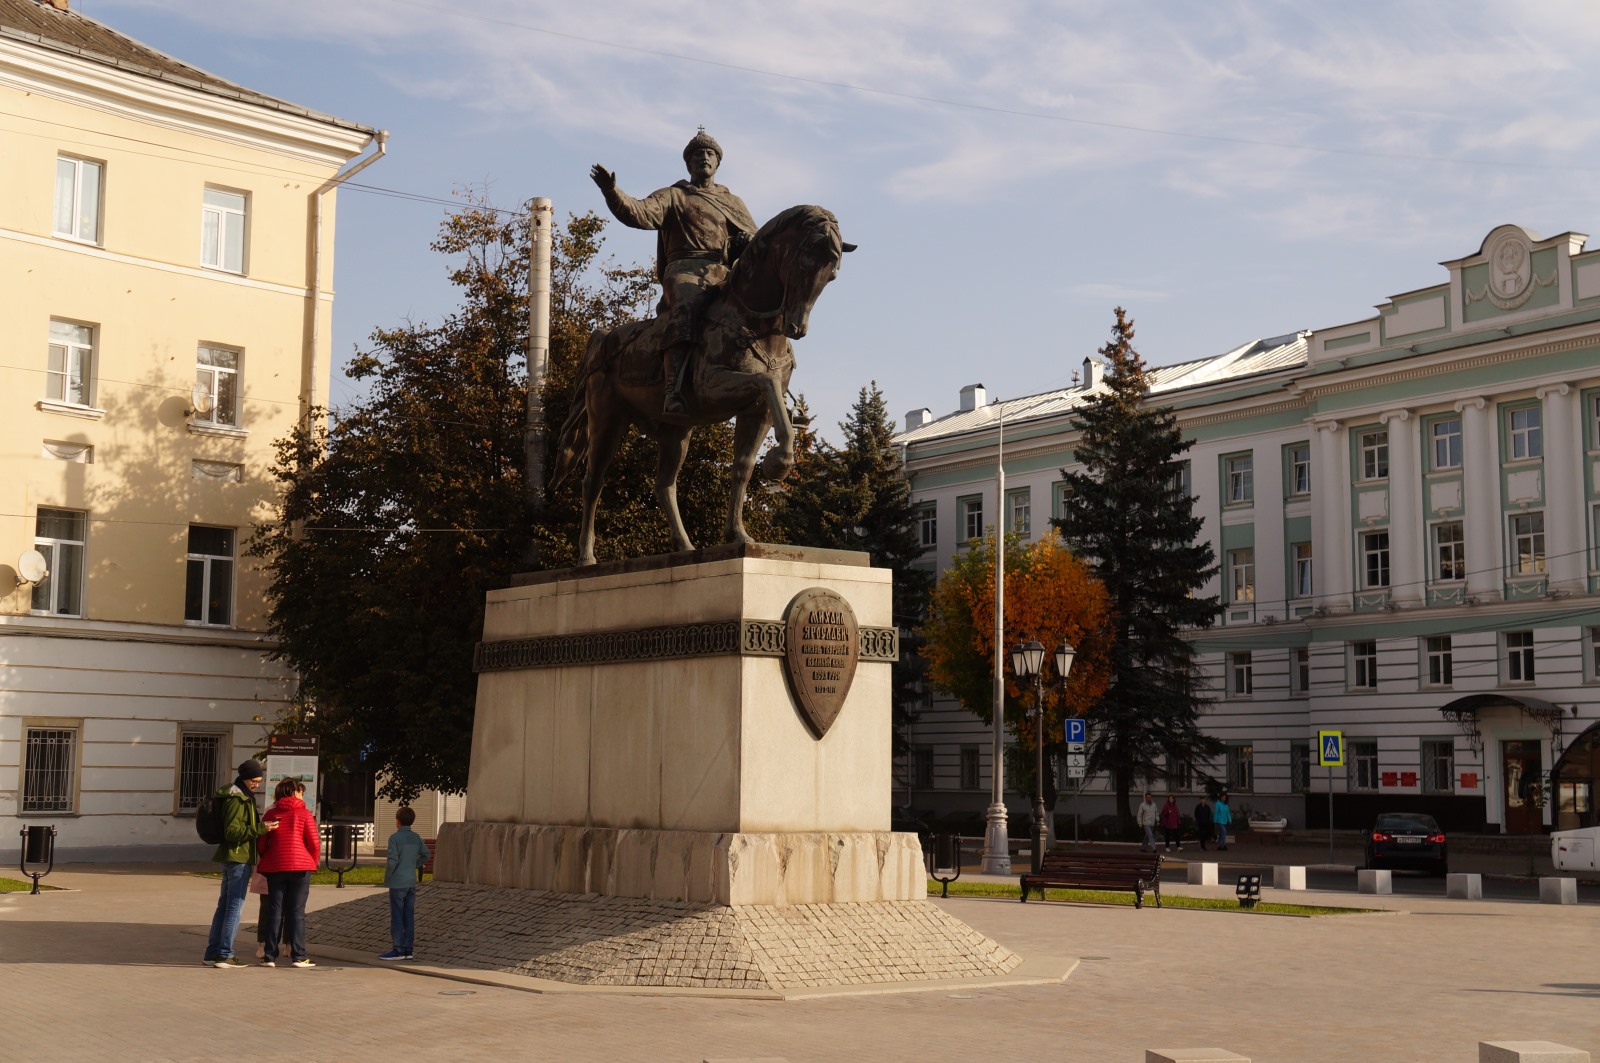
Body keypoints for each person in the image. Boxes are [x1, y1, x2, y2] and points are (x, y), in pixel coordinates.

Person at [591, 130, 758, 418]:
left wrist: (745, 243)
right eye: (697, 155)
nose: (703, 158)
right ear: (688, 164)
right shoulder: (674, 195)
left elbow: (758, 243)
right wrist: (612, 192)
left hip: (723, 273)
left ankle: (773, 379)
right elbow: (639, 213)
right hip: (685, 272)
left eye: (709, 154)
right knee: (687, 304)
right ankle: (673, 390)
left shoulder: (734, 202)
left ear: (717, 162)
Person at [202, 758, 279, 968]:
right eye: (254, 780)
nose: (257, 784)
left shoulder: (237, 795)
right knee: (234, 907)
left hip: (232, 856)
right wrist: (262, 829)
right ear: (244, 778)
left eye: (259, 781)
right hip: (238, 857)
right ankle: (225, 954)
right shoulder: (238, 800)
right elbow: (232, 831)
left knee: (224, 906)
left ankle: (212, 952)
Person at [256, 776, 321, 968]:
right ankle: (298, 956)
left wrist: (269, 855)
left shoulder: (271, 814)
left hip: (275, 867)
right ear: (294, 792)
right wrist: (312, 862)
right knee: (296, 912)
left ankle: (269, 956)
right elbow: (314, 842)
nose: (302, 795)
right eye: (300, 792)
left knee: (275, 910)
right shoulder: (304, 814)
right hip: (300, 868)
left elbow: (261, 843)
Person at [379, 806, 432, 961]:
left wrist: (388, 878)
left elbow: (392, 861)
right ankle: (408, 949)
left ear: (398, 821)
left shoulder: (394, 838)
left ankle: (398, 948)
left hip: (397, 882)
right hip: (411, 881)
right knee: (408, 916)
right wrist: (413, 864)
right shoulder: (416, 837)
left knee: (397, 916)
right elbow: (426, 854)